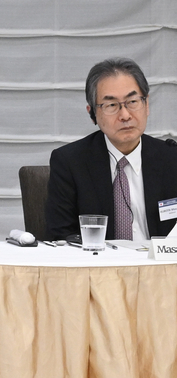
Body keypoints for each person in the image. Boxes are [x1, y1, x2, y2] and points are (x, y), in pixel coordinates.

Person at [45, 57, 175, 243]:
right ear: (92, 114)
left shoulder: (171, 158)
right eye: (111, 105)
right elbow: (60, 236)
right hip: (98, 267)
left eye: (132, 101)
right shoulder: (70, 162)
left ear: (146, 105)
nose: (125, 115)